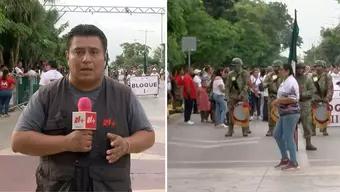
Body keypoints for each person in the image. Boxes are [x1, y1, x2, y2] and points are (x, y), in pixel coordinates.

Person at [11, 24, 155, 191]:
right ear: (67, 56)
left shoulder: (124, 95)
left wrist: (127, 145)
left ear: (105, 57)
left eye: (94, 52)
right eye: (78, 52)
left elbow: (147, 135)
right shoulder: (46, 96)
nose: (86, 59)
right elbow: (18, 141)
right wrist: (65, 143)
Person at [272, 63, 300, 170]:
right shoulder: (285, 81)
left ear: (287, 71)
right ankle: (285, 158)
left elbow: (293, 98)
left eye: (281, 70)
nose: (279, 71)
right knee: (277, 134)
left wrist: (278, 101)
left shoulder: (291, 82)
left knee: (288, 137)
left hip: (291, 113)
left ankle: (293, 161)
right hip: (284, 113)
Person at [225, 58, 250, 137]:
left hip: (243, 96)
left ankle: (245, 130)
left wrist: (242, 94)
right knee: (231, 113)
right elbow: (227, 86)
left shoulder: (245, 73)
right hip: (233, 96)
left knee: (244, 113)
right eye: (233, 66)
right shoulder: (230, 74)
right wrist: (227, 96)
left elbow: (246, 85)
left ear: (239, 65)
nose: (233, 67)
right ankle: (230, 130)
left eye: (235, 65)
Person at [296, 63, 317, 150]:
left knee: (307, 124)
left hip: (305, 104)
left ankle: (308, 143)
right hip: (295, 104)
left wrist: (303, 94)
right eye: (298, 69)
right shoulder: (293, 79)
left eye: (302, 69)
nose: (300, 70)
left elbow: (313, 90)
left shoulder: (308, 79)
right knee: (293, 125)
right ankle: (294, 144)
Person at [311, 60, 333, 136]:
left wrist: (328, 97)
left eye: (319, 66)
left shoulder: (327, 76)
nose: (318, 68)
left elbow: (330, 88)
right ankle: (313, 130)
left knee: (324, 113)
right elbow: (310, 87)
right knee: (312, 114)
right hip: (314, 98)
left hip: (324, 97)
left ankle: (324, 129)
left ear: (323, 67)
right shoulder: (313, 76)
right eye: (316, 66)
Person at [263, 60, 283, 136]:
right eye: (274, 66)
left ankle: (281, 129)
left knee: (281, 113)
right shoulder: (270, 75)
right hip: (272, 96)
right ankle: (271, 129)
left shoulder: (283, 74)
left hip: (281, 97)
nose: (275, 68)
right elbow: (264, 84)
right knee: (270, 113)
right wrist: (268, 84)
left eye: (277, 67)